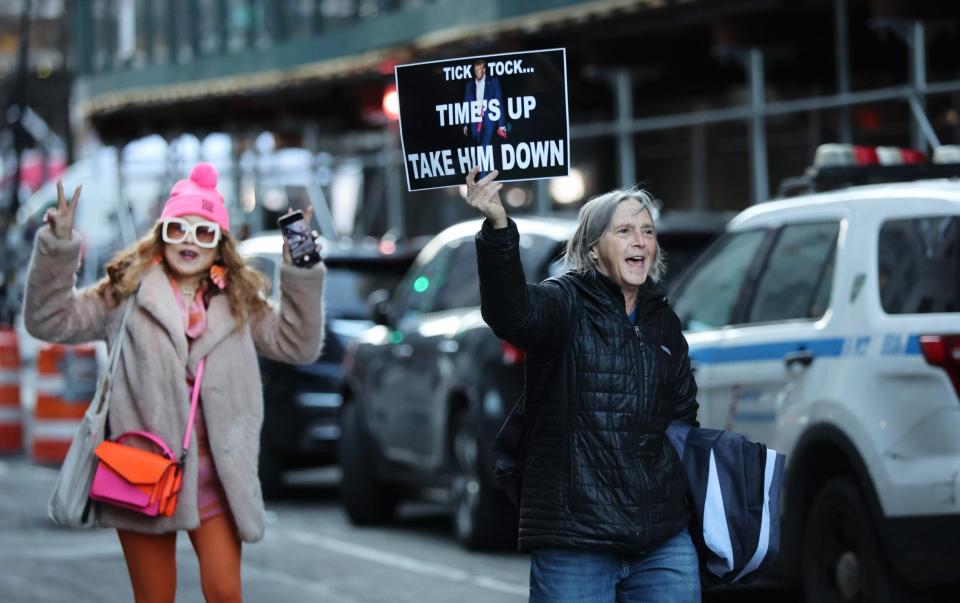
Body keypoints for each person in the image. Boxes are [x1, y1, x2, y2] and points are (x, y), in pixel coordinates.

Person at [24, 163, 325, 603]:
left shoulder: (240, 301)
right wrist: (59, 245)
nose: (189, 241)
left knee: (226, 593)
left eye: (204, 233)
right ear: (161, 234)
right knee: (154, 598)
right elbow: (49, 320)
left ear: (220, 246)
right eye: (178, 229)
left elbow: (298, 345)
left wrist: (300, 263)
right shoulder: (125, 293)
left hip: (217, 481)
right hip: (143, 474)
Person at [465, 167, 701, 602]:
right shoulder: (564, 303)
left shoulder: (662, 321)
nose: (640, 241)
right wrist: (498, 226)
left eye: (647, 232)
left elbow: (682, 421)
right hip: (576, 538)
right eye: (625, 231)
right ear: (593, 251)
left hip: (661, 540)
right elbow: (510, 312)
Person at [463, 58, 508, 149]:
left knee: (485, 146)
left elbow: (499, 103)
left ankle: (482, 161)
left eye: (479, 70)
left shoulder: (493, 82)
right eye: (476, 70)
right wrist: (465, 123)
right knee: (477, 145)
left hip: (489, 121)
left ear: (484, 69)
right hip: (475, 122)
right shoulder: (469, 85)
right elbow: (466, 104)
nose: (477, 72)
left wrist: (501, 125)